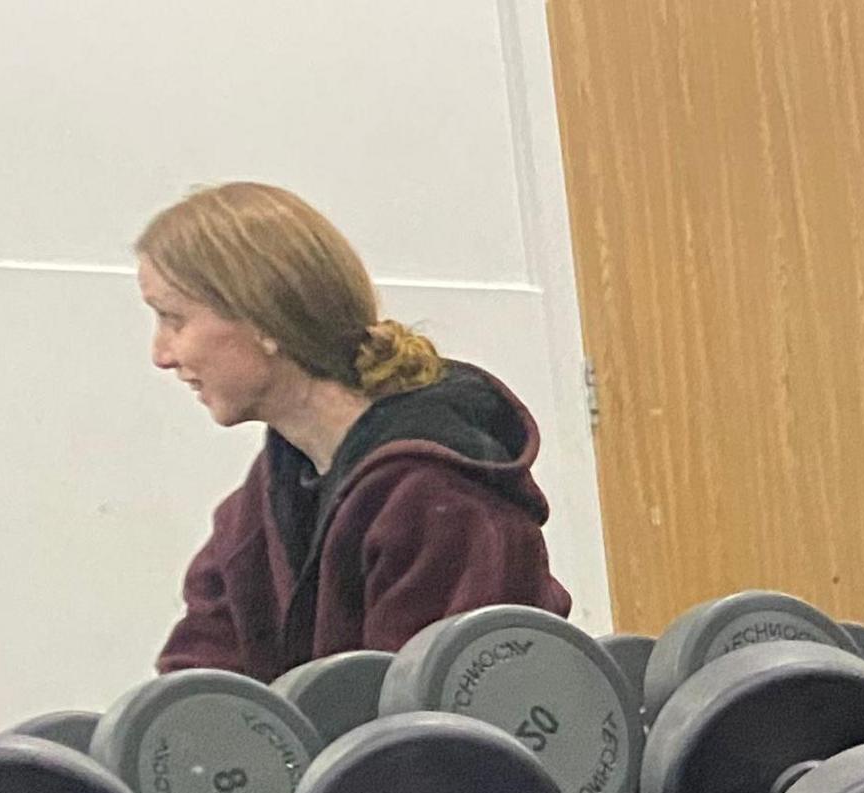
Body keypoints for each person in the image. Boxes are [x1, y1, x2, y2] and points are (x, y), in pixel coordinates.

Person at [140, 181, 568, 677]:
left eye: (174, 320)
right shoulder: (257, 509)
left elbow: (429, 733)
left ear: (263, 319)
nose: (161, 355)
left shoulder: (436, 500)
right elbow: (197, 692)